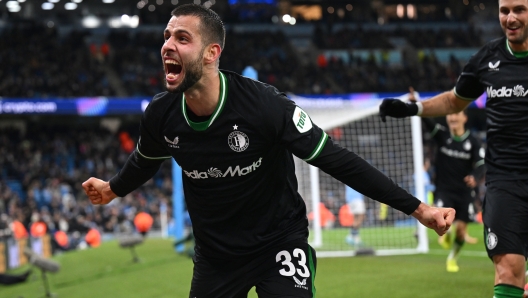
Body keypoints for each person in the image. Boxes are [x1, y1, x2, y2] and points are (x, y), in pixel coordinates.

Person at [83, 4, 454, 297]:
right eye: (166, 36)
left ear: (212, 52)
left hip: (278, 244)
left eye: (182, 38)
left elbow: (337, 160)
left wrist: (418, 208)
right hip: (216, 258)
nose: (167, 45)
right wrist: (113, 188)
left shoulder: (265, 107)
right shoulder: (161, 114)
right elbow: (145, 162)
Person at [379, 0, 528, 296]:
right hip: (504, 180)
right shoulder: (487, 58)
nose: (510, 18)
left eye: (519, 10)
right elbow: (454, 100)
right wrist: (414, 109)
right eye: (504, 11)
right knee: (508, 267)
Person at [409, 88, 485, 272]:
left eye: (456, 115)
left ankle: (453, 257)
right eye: (450, 115)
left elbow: (482, 164)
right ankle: (447, 234)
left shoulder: (473, 142)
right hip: (444, 190)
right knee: (443, 221)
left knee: (461, 231)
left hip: (465, 192)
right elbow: (427, 121)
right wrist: (416, 102)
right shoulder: (442, 136)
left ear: (464, 118)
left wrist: (474, 177)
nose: (452, 118)